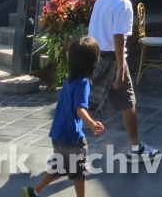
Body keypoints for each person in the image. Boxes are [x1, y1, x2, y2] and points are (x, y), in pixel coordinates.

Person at [87, 0, 160, 160]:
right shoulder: (124, 3)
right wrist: (121, 66)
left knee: (83, 101)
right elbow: (119, 36)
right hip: (112, 58)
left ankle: (65, 144)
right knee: (128, 101)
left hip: (94, 55)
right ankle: (135, 148)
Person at [20, 37, 105, 197]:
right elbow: (80, 109)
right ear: (92, 62)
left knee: (60, 167)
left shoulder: (70, 80)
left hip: (58, 134)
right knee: (79, 172)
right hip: (72, 138)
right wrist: (92, 124)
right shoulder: (83, 83)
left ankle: (33, 191)